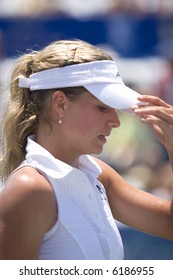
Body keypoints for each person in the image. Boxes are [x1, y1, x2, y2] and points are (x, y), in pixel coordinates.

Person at [0, 39, 172, 260]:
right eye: (102, 108)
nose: (115, 121)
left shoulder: (98, 174)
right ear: (60, 104)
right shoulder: (29, 188)